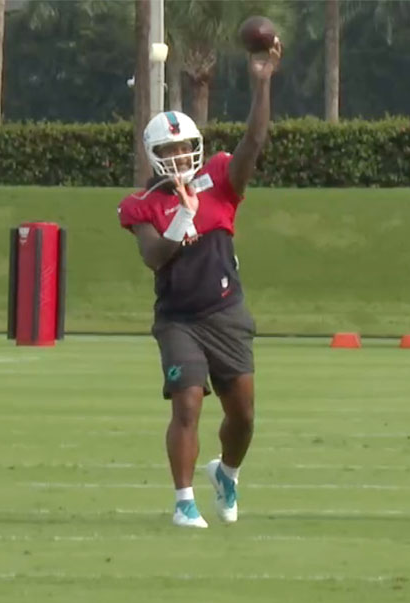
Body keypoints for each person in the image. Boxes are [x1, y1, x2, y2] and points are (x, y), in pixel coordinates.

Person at [115, 39, 281, 529]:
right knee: (187, 402)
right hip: (179, 319)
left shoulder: (218, 179)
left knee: (244, 416)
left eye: (187, 146)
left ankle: (226, 473)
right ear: (154, 155)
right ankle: (183, 500)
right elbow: (152, 257)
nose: (182, 155)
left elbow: (254, 143)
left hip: (226, 310)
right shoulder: (142, 202)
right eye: (170, 149)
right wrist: (176, 225)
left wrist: (261, 84)